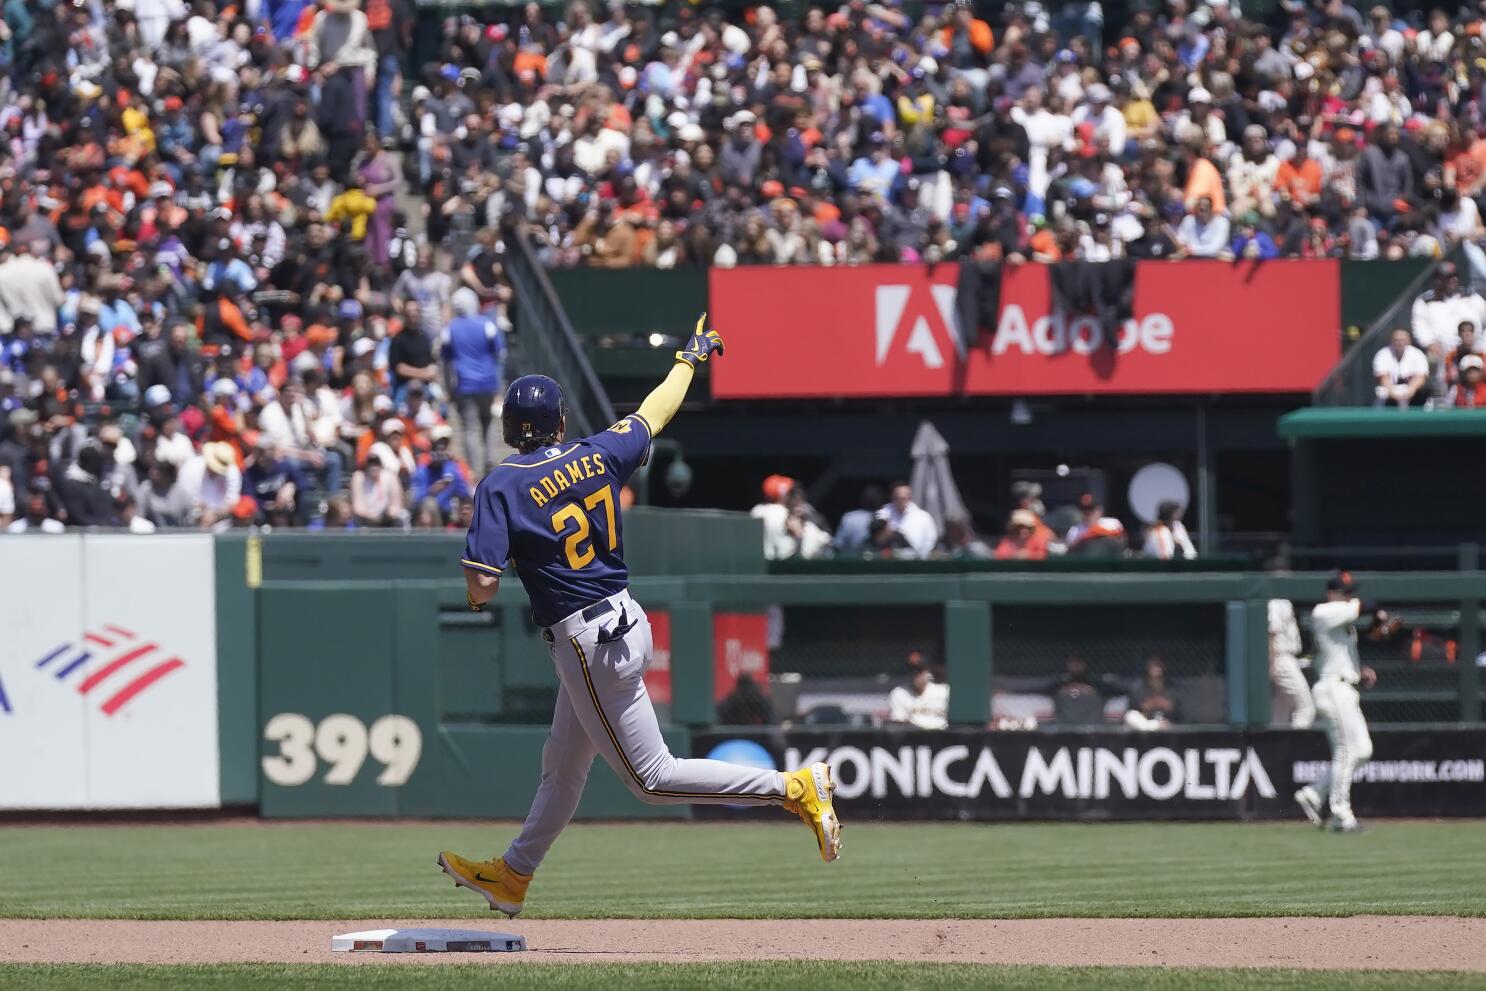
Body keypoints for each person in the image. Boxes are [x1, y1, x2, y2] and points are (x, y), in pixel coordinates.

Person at [438, 315, 842, 918]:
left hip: (586, 640)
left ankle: (792, 788)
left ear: (507, 430)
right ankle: (514, 875)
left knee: (651, 778)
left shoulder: (502, 485)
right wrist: (688, 359)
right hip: (623, 617)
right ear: (560, 424)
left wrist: (476, 589)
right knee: (565, 764)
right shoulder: (596, 452)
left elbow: (482, 585)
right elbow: (655, 412)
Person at [1295, 572, 1378, 833]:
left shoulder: (1340, 618)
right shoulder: (1323, 611)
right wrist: (1377, 612)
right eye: (1344, 591)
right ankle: (1341, 815)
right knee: (1345, 751)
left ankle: (1314, 793)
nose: (1349, 595)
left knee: (1362, 750)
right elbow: (1364, 606)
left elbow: (1338, 651)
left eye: (1350, 591)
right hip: (1332, 688)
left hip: (1344, 685)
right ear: (1331, 593)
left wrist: (1358, 671)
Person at [441, 287, 507, 478]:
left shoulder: (450, 329)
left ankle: (474, 470)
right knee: (488, 423)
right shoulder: (487, 324)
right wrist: (498, 386)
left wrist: (448, 387)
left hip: (464, 385)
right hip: (487, 383)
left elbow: (446, 363)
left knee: (469, 427)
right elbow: (499, 355)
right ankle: (490, 461)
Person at [875, 481, 938, 558]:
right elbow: (877, 538)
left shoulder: (924, 517)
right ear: (891, 497)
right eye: (897, 498)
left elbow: (931, 540)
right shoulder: (882, 514)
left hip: (916, 561)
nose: (900, 501)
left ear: (909, 497)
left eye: (903, 498)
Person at [887, 654, 949, 730]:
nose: (915, 674)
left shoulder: (943, 691)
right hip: (913, 738)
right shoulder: (899, 693)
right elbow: (899, 724)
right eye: (912, 670)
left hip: (942, 736)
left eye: (919, 670)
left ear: (928, 671)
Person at [1372, 328, 1429, 408]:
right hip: (1389, 398)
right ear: (1391, 341)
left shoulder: (1417, 354)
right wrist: (1395, 395)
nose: (1399, 343)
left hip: (1414, 397)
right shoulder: (1382, 354)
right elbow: (1383, 378)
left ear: (1408, 341)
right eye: (1396, 340)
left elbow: (1421, 377)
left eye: (1402, 340)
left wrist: (1410, 391)